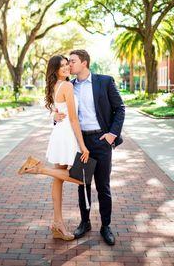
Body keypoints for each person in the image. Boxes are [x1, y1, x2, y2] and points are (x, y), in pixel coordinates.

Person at [54, 49, 125, 245]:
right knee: (82, 185)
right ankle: (84, 223)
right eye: (68, 62)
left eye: (73, 61)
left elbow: (120, 108)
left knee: (103, 186)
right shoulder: (69, 85)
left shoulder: (104, 81)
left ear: (84, 62)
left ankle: (106, 226)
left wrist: (112, 135)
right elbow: (60, 109)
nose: (69, 64)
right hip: (80, 142)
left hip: (101, 141)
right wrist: (54, 116)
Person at [18, 55, 90, 241]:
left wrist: (56, 116)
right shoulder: (66, 85)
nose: (66, 68)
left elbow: (59, 112)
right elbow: (73, 119)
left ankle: (57, 224)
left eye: (67, 64)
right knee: (81, 178)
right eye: (62, 66)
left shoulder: (55, 86)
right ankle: (39, 168)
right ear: (55, 70)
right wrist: (82, 146)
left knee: (58, 179)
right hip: (67, 135)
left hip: (59, 133)